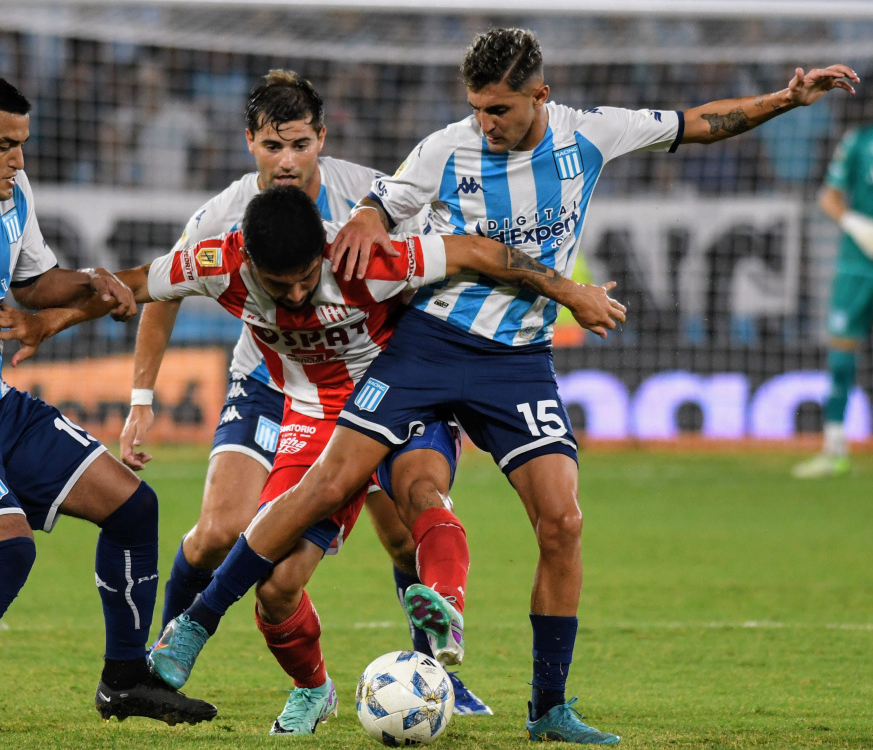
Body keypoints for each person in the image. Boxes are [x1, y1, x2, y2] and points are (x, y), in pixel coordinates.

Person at [109, 29, 856, 746]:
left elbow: (698, 124)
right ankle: (194, 628)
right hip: (427, 345)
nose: (483, 122)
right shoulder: (443, 149)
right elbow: (384, 206)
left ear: (540, 95)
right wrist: (367, 224)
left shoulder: (592, 134)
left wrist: (786, 100)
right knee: (337, 478)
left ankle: (549, 707)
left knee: (561, 522)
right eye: (475, 107)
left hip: (518, 360)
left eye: (498, 108)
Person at [0, 184, 625, 735]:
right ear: (249, 264)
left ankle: (443, 619)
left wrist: (567, 290)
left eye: (305, 277)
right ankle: (314, 688)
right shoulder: (219, 262)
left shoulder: (364, 259)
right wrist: (51, 324)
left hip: (401, 395)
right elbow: (130, 286)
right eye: (279, 284)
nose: (295, 294)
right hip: (314, 414)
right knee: (278, 586)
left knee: (422, 499)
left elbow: (476, 252)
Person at [118, 69, 491, 715]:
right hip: (272, 381)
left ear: (321, 139)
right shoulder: (225, 216)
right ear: (249, 144)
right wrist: (141, 399)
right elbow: (160, 289)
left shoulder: (371, 198)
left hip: (377, 378)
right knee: (219, 533)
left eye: (298, 145)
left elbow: (447, 264)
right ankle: (169, 660)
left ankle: (436, 673)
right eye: (271, 146)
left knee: (402, 535)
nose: (286, 161)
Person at [0, 71, 217, 743]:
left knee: (132, 507)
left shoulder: (12, 195)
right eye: (5, 145)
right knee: (8, 551)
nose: (19, 160)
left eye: (22, 144)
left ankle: (123, 680)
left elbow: (35, 285)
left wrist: (95, 281)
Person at [792, 122, 873, 479]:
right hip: (856, 265)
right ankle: (835, 449)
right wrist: (857, 226)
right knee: (840, 357)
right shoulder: (859, 142)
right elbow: (829, 197)